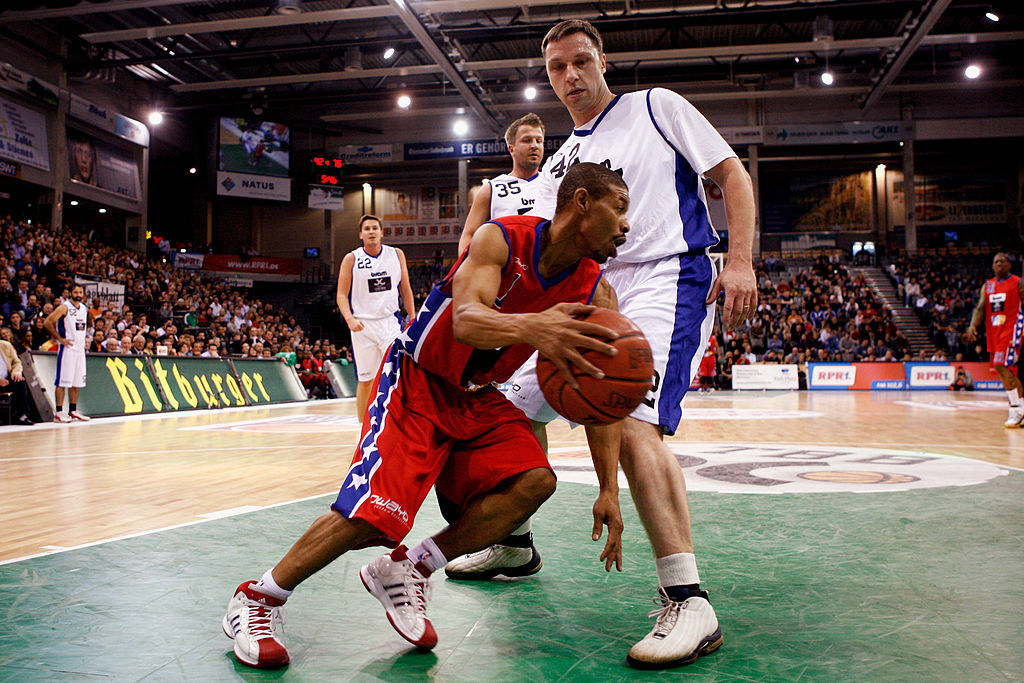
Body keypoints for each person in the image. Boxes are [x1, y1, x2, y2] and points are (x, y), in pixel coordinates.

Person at [222, 163, 629, 669]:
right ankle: (259, 597)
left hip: (476, 396)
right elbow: (467, 318)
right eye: (621, 208)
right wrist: (537, 326)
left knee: (533, 484)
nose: (627, 225)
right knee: (375, 516)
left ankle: (411, 568)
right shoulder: (500, 239)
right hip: (416, 379)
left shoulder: (597, 293)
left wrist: (608, 488)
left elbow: (605, 394)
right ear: (583, 202)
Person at [445, 20, 757, 670]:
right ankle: (514, 541)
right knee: (511, 404)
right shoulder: (562, 162)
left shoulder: (656, 106)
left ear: (602, 60)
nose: (571, 76)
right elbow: (539, 241)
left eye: (580, 61)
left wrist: (742, 263)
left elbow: (733, 177)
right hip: (593, 289)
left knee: (634, 420)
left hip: (668, 275)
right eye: (557, 67)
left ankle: (688, 596)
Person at [336, 215, 416, 418]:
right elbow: (341, 295)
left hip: (390, 322)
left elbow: (405, 289)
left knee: (399, 375)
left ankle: (401, 420)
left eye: (375, 228)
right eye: (367, 229)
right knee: (366, 379)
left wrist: (413, 317)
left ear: (382, 232)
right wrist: (349, 319)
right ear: (360, 234)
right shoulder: (351, 258)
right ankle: (363, 429)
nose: (371, 231)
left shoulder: (396, 254)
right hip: (363, 325)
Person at [457, 113, 547, 255]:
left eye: (539, 140)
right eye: (527, 140)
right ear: (512, 149)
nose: (534, 146)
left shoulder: (554, 184)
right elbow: (469, 235)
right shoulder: (492, 188)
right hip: (508, 270)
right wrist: (469, 271)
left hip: (548, 271)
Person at [966, 252, 1023, 427]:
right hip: (995, 332)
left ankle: (1016, 410)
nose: (999, 264)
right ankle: (1021, 408)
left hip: (1013, 328)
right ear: (992, 266)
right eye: (996, 262)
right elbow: (981, 307)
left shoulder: (1018, 282)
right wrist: (972, 325)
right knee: (1009, 372)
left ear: (1009, 265)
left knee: (1001, 365)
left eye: (1002, 261)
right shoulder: (988, 286)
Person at [43, 284, 92, 422]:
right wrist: (59, 339)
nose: (78, 294)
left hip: (80, 350)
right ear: (70, 293)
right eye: (75, 291)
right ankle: (59, 412)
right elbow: (48, 321)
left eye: (80, 291)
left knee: (76, 382)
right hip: (67, 350)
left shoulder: (84, 308)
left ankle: (73, 410)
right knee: (62, 381)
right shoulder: (64, 307)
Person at [0, 333, 33, 425]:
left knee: (20, 381)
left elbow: (16, 362)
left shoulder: (5, 345)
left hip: (7, 379)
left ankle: (23, 416)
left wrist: (16, 372)